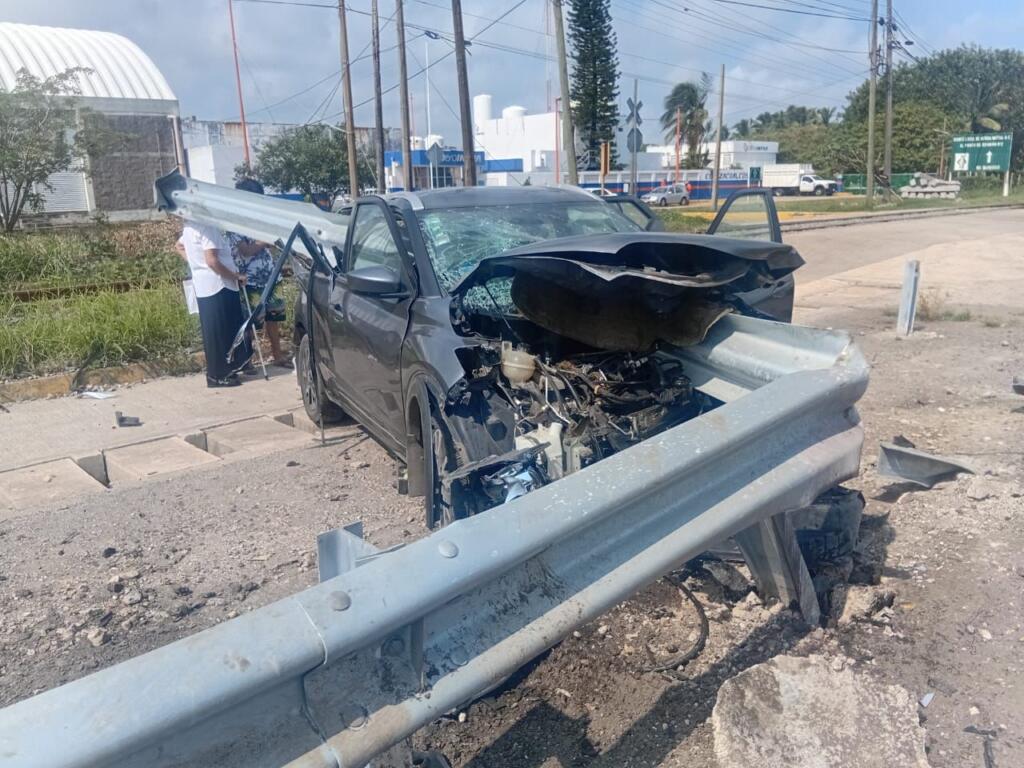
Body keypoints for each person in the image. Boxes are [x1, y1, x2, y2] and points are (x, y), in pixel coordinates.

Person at [179, 220, 250, 387]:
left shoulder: (190, 227)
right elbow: (212, 261)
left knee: (215, 331)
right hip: (218, 284)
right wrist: (235, 276)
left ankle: (222, 371)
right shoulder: (207, 228)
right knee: (220, 332)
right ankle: (219, 374)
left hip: (204, 285)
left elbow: (179, 246)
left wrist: (195, 264)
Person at [230, 178, 292, 368]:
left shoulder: (261, 219)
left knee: (274, 317)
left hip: (271, 276)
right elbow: (245, 250)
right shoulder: (235, 222)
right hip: (250, 280)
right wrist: (264, 242)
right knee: (251, 321)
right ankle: (247, 360)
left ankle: (278, 355)